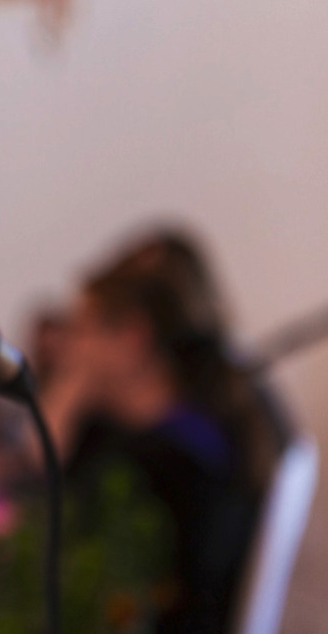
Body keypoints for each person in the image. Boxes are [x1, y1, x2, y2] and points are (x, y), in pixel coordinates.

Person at [41, 230, 284, 633]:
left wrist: (66, 392)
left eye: (82, 328)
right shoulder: (130, 437)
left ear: (133, 337)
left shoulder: (171, 462)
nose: (70, 347)